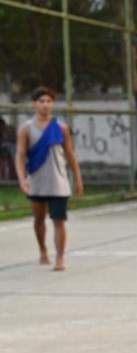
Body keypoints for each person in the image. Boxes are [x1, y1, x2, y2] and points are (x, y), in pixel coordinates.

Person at [14, 87, 84, 271]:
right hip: (36, 180)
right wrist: (22, 179)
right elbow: (20, 155)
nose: (45, 105)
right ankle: (43, 250)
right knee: (39, 219)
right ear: (34, 104)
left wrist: (77, 178)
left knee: (59, 220)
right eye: (41, 101)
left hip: (58, 181)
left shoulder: (61, 127)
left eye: (48, 101)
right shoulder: (26, 129)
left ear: (52, 104)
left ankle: (60, 257)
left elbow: (70, 154)